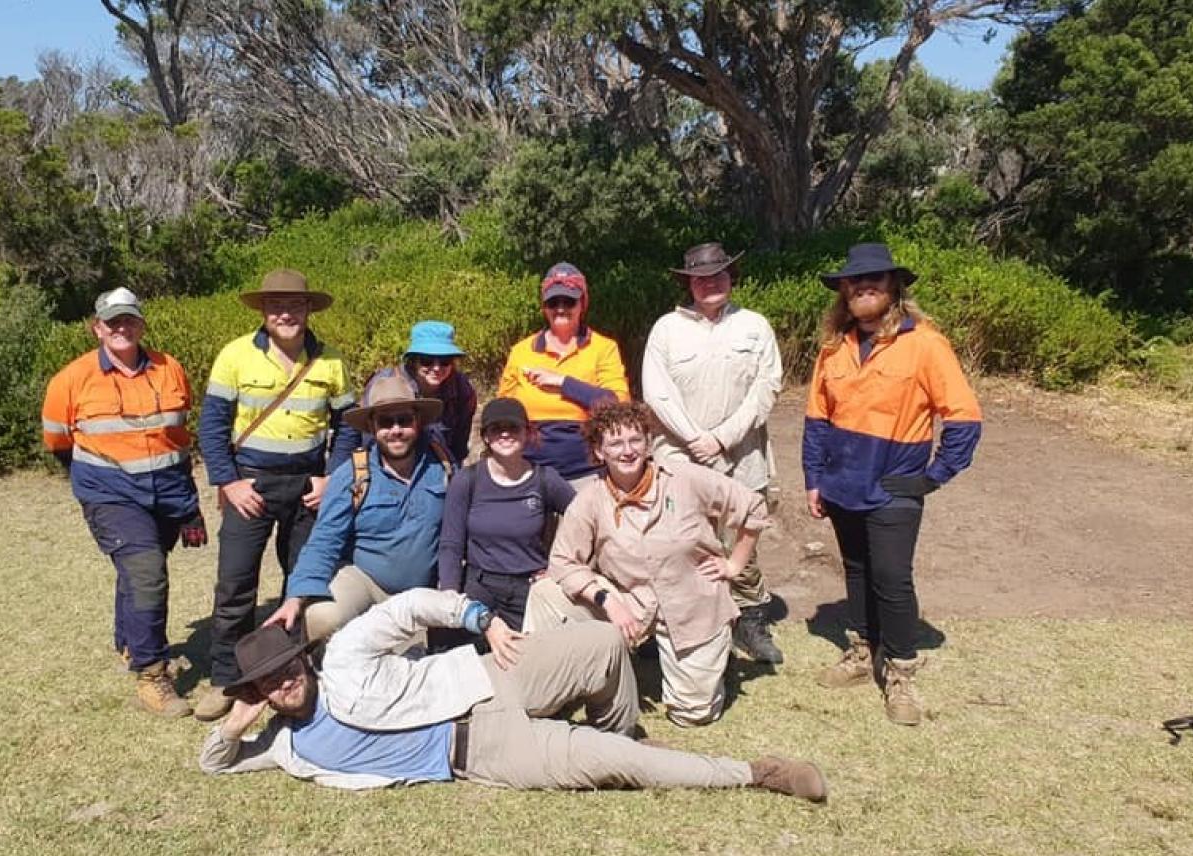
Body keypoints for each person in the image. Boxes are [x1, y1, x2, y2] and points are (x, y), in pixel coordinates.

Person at [200, 588, 827, 801]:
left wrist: (482, 619)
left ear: (303, 659)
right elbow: (211, 765)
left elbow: (414, 607)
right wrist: (233, 728)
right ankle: (756, 773)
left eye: (288, 668)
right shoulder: (287, 748)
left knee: (606, 641)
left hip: (484, 677)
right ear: (257, 694)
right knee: (620, 768)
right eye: (270, 683)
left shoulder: (342, 657)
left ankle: (622, 728)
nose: (285, 683)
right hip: (482, 750)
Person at [803, 243, 982, 727]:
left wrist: (933, 476)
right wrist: (813, 479)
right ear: (843, 290)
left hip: (895, 486)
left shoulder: (925, 343)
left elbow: (964, 418)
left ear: (893, 288)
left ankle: (900, 669)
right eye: (855, 281)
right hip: (841, 484)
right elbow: (818, 419)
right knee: (857, 571)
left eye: (874, 281)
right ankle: (864, 652)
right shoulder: (833, 347)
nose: (864, 288)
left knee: (892, 577)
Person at [526, 401, 771, 728]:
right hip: (631, 602)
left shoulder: (684, 477)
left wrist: (734, 564)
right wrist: (606, 599)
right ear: (599, 452)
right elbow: (562, 562)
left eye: (635, 440)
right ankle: (540, 687)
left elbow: (753, 508)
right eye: (615, 443)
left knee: (692, 715)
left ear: (648, 443)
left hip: (692, 605)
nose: (627, 451)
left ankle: (715, 653)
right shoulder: (590, 498)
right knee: (545, 592)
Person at [196, 269, 356, 720]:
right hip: (251, 483)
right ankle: (229, 679)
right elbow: (211, 426)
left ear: (308, 309)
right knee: (235, 584)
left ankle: (293, 670)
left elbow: (347, 427)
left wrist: (333, 477)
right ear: (263, 312)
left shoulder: (331, 360)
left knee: (303, 584)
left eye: (295, 305)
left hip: (308, 485)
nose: (285, 313)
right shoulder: (234, 356)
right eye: (276, 306)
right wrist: (229, 482)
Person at [41, 287, 202, 718]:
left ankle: (129, 644)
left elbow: (179, 440)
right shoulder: (71, 379)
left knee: (138, 572)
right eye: (112, 322)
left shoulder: (171, 369)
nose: (121, 328)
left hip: (166, 492)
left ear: (141, 324)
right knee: (147, 572)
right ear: (97, 328)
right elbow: (58, 442)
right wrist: (98, 478)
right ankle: (152, 675)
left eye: (128, 320)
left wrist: (189, 506)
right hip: (110, 494)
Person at [642, 242, 787, 664]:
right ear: (688, 282)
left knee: (742, 538)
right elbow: (657, 392)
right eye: (701, 276)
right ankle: (672, 622)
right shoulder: (666, 329)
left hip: (742, 455)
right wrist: (694, 439)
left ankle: (750, 620)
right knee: (677, 539)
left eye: (719, 273)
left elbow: (767, 388)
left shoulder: (755, 326)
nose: (710, 282)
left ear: (731, 277)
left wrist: (721, 438)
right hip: (678, 456)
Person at [262, 373, 453, 641]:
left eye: (404, 420)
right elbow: (324, 540)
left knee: (416, 662)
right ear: (372, 427)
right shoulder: (352, 474)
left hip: (424, 588)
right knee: (322, 616)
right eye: (386, 422)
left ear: (418, 422)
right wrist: (296, 597)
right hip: (366, 579)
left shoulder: (442, 465)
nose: (395, 430)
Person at [437, 397, 574, 630]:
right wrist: (449, 597)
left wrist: (559, 569)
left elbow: (584, 521)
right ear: (486, 436)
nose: (505, 434)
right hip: (479, 586)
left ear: (527, 433)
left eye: (513, 427)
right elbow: (451, 544)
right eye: (496, 429)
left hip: (529, 588)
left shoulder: (545, 479)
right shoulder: (467, 480)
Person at [498, 262, 631, 487]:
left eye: (569, 301)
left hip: (587, 473)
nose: (560, 308)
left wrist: (563, 382)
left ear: (583, 304)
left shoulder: (603, 348)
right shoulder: (521, 351)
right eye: (553, 302)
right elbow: (502, 411)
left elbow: (618, 405)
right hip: (529, 472)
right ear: (544, 306)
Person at [338, 320, 478, 464]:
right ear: (413, 361)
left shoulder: (462, 389)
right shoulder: (385, 383)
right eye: (427, 360)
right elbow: (368, 438)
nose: (437, 368)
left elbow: (459, 445)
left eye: (445, 361)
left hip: (440, 464)